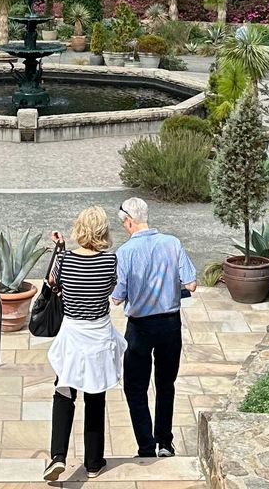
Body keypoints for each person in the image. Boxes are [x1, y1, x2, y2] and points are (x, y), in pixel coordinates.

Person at [42, 207, 125, 483]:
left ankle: (58, 456)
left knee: (64, 391)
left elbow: (53, 283)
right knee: (95, 396)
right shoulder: (109, 261)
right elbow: (112, 288)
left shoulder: (65, 260)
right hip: (98, 335)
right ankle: (92, 462)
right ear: (103, 231)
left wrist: (60, 247)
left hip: (72, 335)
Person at [112, 196, 195, 459]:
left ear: (128, 222)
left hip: (139, 326)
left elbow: (117, 297)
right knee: (165, 383)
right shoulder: (173, 243)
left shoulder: (124, 253)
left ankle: (146, 446)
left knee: (135, 387)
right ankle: (165, 443)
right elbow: (191, 284)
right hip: (170, 324)